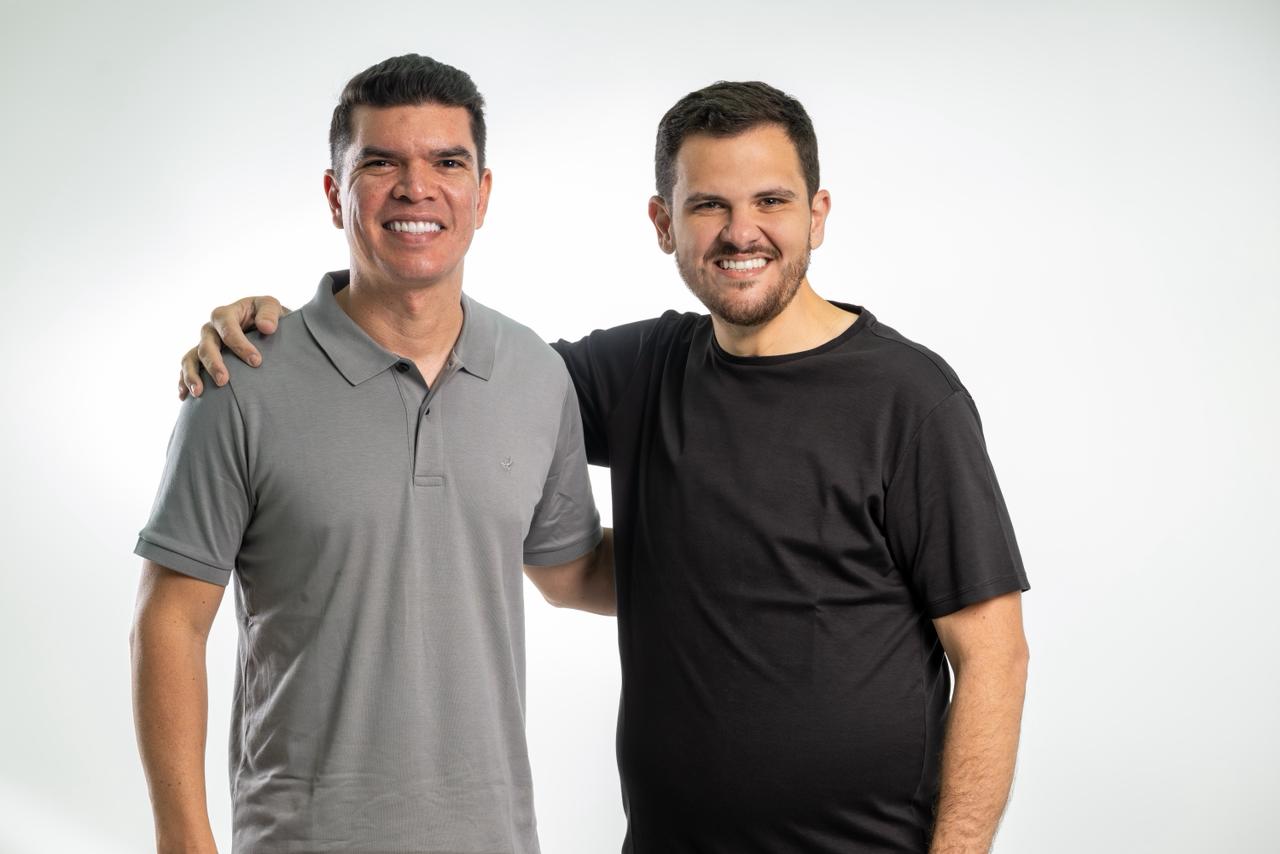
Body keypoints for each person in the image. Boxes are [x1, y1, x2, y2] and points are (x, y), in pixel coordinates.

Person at [180, 80, 1030, 853]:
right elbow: (442, 370)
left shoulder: (909, 399)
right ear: (663, 223)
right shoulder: (637, 373)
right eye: (708, 205)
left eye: (771, 200)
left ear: (818, 213)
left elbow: (994, 655)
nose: (741, 232)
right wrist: (285, 331)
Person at [131, 54, 611, 854]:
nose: (416, 188)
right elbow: (170, 622)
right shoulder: (242, 380)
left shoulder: (536, 374)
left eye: (448, 163)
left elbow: (571, 572)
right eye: (381, 163)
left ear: (483, 194)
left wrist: (762, 561)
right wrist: (183, 841)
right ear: (335, 194)